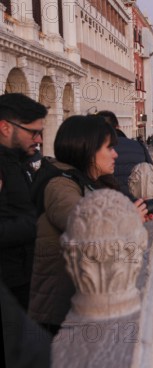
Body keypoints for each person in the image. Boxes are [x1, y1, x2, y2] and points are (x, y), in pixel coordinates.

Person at [28, 115, 150, 336]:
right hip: (59, 316)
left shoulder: (87, 181)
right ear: (88, 150)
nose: (116, 154)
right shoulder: (59, 185)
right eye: (109, 148)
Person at [0, 93, 47, 309]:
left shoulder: (19, 163)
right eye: (33, 132)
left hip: (25, 281)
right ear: (6, 127)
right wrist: (39, 222)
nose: (39, 140)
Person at [96, 110, 153, 199]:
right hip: (137, 202)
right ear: (118, 127)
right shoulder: (138, 146)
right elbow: (151, 171)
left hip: (109, 202)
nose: (114, 154)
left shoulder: (95, 150)